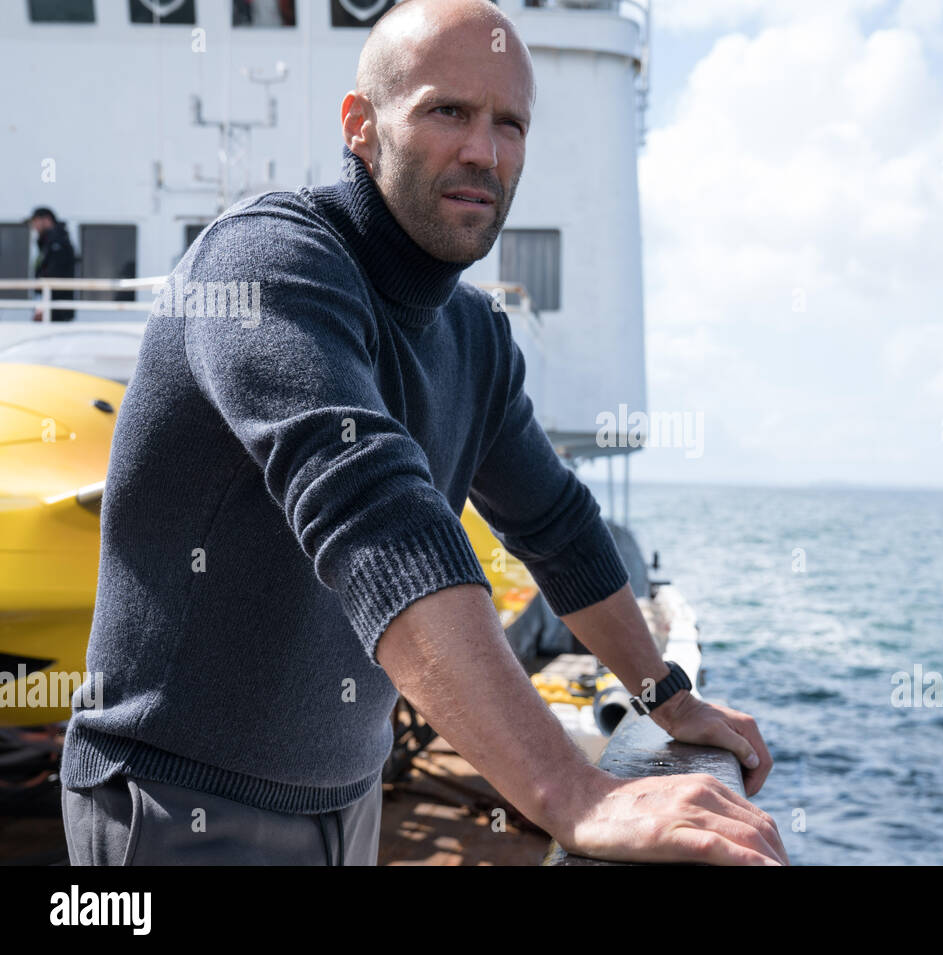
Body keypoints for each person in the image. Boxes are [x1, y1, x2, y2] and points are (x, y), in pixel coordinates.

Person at [60, 0, 787, 866]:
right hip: (174, 801)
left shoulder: (475, 336)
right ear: (361, 127)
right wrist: (577, 791)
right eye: (449, 111)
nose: (484, 150)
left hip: (347, 795)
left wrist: (664, 694)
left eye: (508, 124)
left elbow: (556, 527)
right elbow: (376, 518)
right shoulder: (265, 265)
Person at [27, 206, 76, 321]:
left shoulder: (57, 243)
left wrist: (43, 306)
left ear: (47, 220)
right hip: (50, 306)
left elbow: (53, 276)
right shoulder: (49, 242)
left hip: (56, 309)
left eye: (35, 222)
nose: (34, 226)